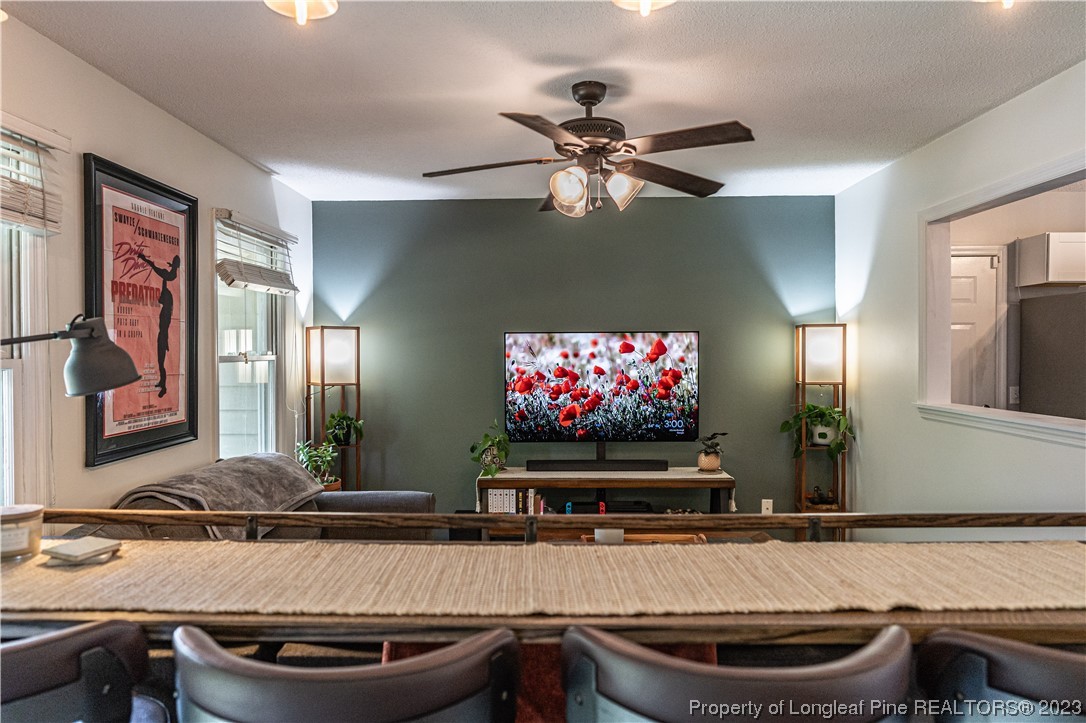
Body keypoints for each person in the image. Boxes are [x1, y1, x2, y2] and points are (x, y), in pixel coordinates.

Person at [137, 251, 180, 398]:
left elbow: (155, 268)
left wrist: (144, 259)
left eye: (161, 297)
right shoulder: (172, 276)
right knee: (160, 361)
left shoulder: (166, 311)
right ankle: (163, 382)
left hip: (163, 337)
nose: (159, 298)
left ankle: (164, 385)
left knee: (161, 362)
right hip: (163, 335)